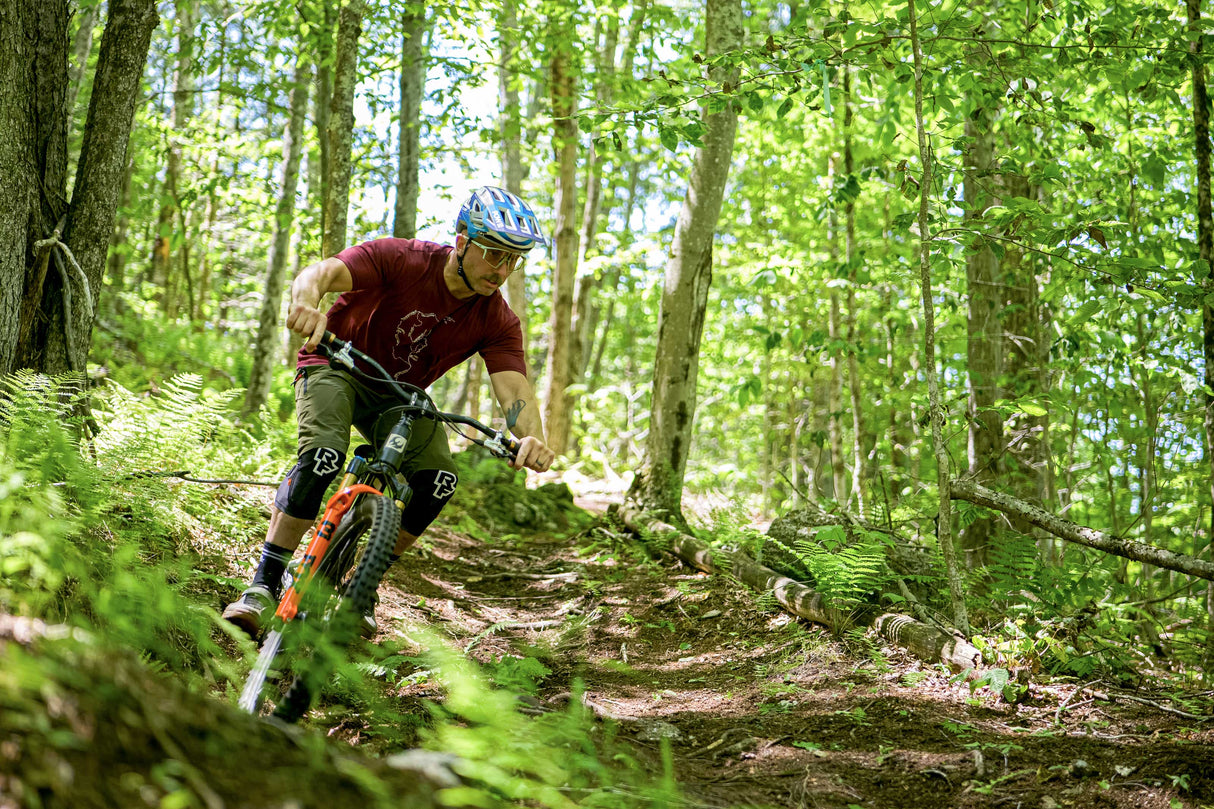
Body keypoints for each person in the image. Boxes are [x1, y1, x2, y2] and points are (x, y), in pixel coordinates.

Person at [223, 186, 557, 637]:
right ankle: (263, 584)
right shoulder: (402, 258)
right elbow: (321, 273)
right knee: (323, 456)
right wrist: (305, 303)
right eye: (494, 254)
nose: (503, 270)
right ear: (462, 241)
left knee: (440, 479)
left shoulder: (497, 318)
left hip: (399, 395)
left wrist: (532, 438)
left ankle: (362, 584)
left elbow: (514, 388)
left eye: (514, 260)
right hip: (335, 363)